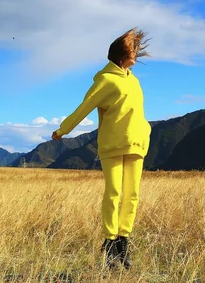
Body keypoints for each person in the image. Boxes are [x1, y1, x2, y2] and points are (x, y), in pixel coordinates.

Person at [51, 27, 151, 269]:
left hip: (137, 143)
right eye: (132, 50)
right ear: (120, 53)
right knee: (114, 193)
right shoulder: (105, 80)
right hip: (113, 144)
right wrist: (63, 130)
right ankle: (109, 244)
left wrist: (146, 130)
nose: (136, 54)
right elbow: (84, 107)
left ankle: (123, 245)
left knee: (132, 196)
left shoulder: (134, 81)